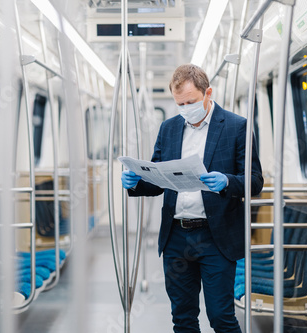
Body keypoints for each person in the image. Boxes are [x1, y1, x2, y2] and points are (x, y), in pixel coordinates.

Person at [121, 64, 263, 333]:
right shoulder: (169, 128)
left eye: (191, 101)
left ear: (208, 93)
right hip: (176, 235)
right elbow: (158, 179)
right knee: (183, 318)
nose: (186, 108)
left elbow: (255, 182)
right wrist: (136, 183)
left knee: (221, 316)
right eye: (180, 104)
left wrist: (227, 181)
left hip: (215, 236)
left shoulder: (237, 127)